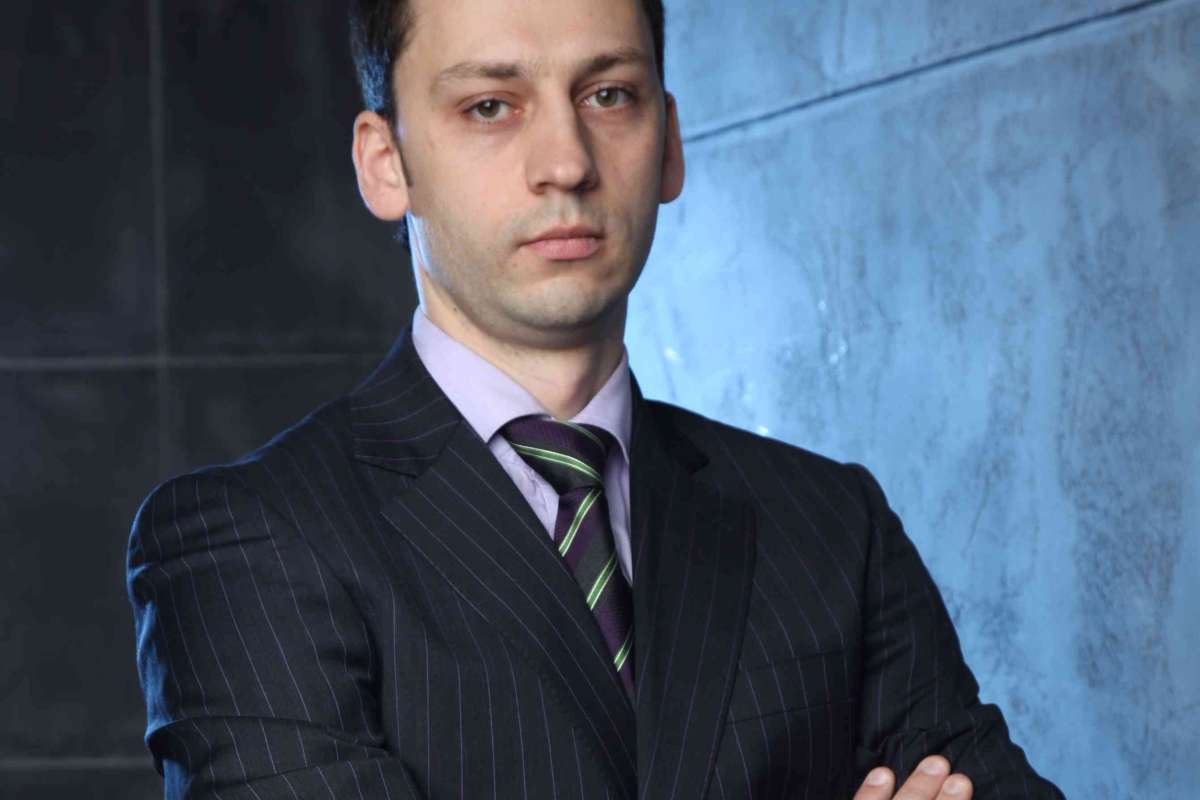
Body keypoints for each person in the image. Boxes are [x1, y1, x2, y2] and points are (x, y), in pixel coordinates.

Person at [125, 0, 1065, 797]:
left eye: (609, 95)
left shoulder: (831, 522)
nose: (567, 163)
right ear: (385, 163)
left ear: (669, 142)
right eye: (491, 106)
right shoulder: (245, 542)